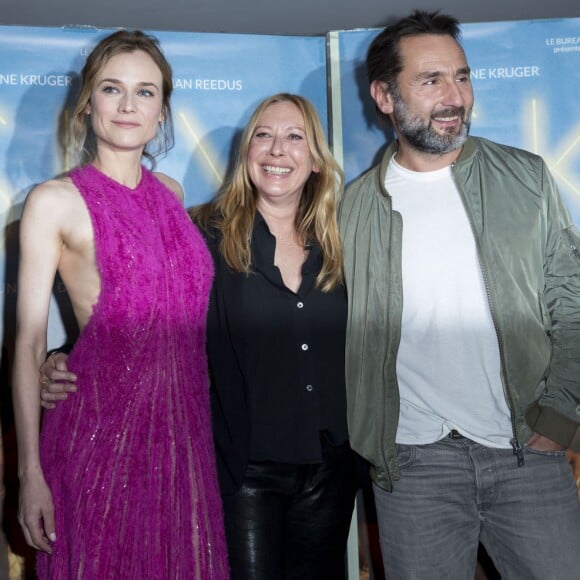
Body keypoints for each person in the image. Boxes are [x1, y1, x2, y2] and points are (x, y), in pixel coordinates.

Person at [40, 93, 357, 579]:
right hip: (245, 468)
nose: (277, 150)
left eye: (295, 138)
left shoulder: (343, 239)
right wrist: (66, 354)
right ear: (245, 152)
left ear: (315, 161)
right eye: (263, 136)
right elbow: (145, 313)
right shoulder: (202, 233)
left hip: (330, 468)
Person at [338, 10, 580, 580]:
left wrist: (562, 418)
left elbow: (570, 302)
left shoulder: (525, 177)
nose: (455, 96)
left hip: (528, 450)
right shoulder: (353, 208)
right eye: (431, 80)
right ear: (384, 95)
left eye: (462, 76)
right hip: (414, 465)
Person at [12, 30, 228, 578]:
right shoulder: (53, 201)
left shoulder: (173, 195)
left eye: (146, 92)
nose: (129, 105)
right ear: (89, 105)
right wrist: (28, 473)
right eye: (112, 89)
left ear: (163, 111)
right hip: (98, 440)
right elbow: (28, 341)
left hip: (184, 441)